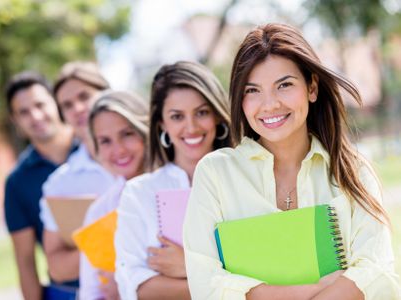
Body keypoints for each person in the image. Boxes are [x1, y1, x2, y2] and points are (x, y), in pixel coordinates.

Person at [183, 23, 401, 300]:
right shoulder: (215, 173)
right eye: (253, 90)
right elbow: (206, 284)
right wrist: (310, 291)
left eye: (284, 85)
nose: (270, 104)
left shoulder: (354, 170)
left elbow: (377, 274)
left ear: (312, 88)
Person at [114, 61, 233, 300]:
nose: (191, 127)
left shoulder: (247, 179)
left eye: (201, 112)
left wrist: (188, 266)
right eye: (177, 116)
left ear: (218, 117)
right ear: (162, 125)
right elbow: (136, 289)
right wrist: (227, 282)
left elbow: (267, 272)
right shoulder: (138, 193)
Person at [39, 61, 114, 294]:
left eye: (85, 96)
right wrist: (115, 244)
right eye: (67, 105)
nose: (78, 108)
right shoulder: (60, 184)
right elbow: (57, 268)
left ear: (107, 94)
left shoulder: (152, 158)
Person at [3, 71, 75, 300]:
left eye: (40, 104)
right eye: (23, 112)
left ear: (55, 103)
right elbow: (25, 261)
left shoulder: (98, 148)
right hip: (68, 290)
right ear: (15, 121)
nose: (35, 116)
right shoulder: (17, 182)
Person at [79, 90, 149, 300]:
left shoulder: (177, 187)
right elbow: (90, 293)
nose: (118, 149)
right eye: (105, 141)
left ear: (145, 131)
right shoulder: (99, 211)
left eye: (127, 134)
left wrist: (128, 287)